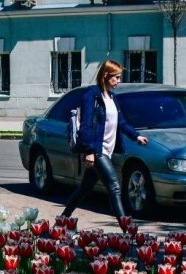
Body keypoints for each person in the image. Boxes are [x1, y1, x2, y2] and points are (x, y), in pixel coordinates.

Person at [60, 59, 149, 220]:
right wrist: (89, 151)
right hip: (97, 150)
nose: (119, 81)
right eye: (117, 77)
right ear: (106, 76)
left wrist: (136, 136)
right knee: (114, 187)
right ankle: (126, 230)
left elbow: (120, 122)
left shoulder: (112, 98)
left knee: (84, 189)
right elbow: (86, 125)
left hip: (107, 151)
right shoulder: (92, 95)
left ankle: (62, 221)